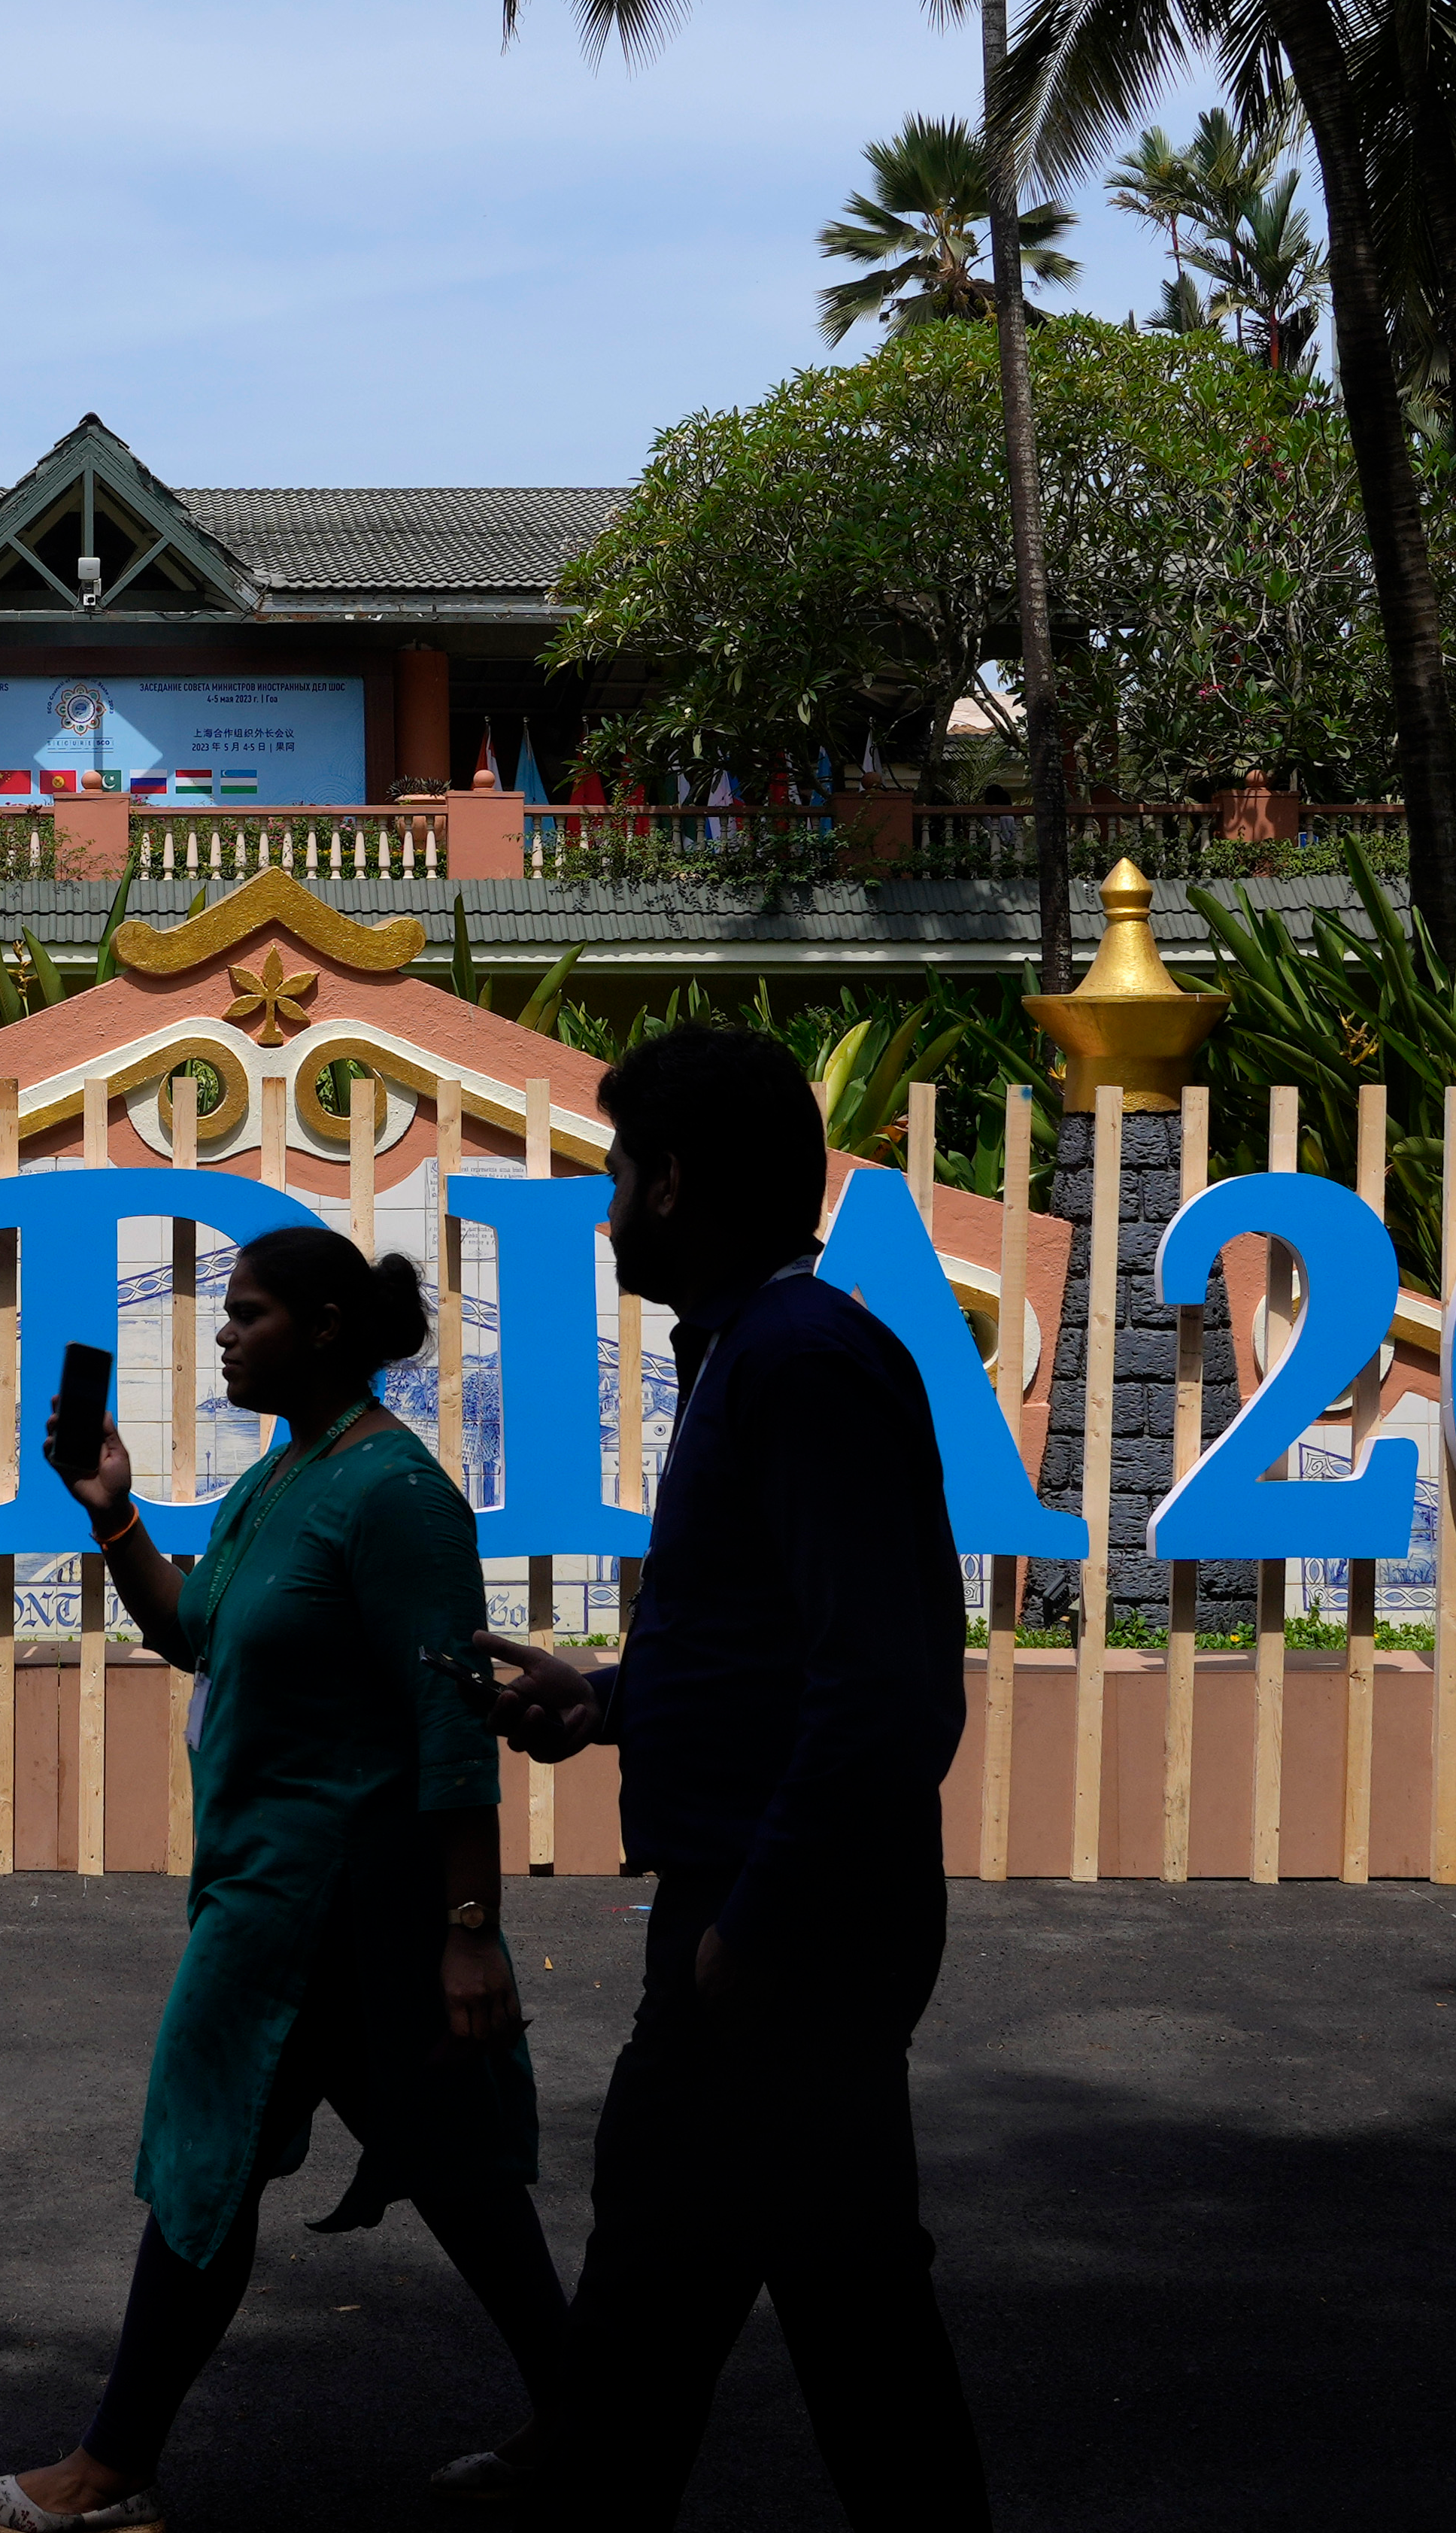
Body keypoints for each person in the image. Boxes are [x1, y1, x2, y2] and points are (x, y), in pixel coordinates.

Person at [0, 1227, 566, 2532]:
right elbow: (195, 1635)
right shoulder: (277, 1478)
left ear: (331, 1324)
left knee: (205, 2146)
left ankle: (109, 2468)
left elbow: (449, 1720)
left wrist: (471, 1929)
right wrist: (112, 1510)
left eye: (251, 1311)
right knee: (453, 2164)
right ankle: (592, 2421)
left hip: (337, 1901)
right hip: (273, 1884)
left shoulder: (398, 1496)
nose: (223, 1334)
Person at [471, 1026, 990, 2528]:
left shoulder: (799, 1361)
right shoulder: (759, 1351)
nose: (606, 1205)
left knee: (779, 2299)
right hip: (773, 1916)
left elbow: (879, 1687)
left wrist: (749, 1927)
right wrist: (610, 1702)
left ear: (676, 1182)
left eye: (619, 1171)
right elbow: (776, 1653)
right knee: (715, 2285)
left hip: (785, 1931)